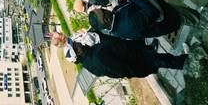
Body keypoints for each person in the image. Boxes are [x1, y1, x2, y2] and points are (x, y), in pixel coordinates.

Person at [51, 31, 188, 78]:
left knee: (157, 61)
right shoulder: (98, 53)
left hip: (132, 67)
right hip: (132, 60)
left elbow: (116, 71)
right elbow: (120, 64)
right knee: (159, 60)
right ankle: (186, 63)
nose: (81, 43)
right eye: (78, 45)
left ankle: (183, 62)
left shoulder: (89, 64)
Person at [88, 0, 200, 40]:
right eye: (101, 10)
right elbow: (152, 12)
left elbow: (125, 12)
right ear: (106, 20)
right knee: (190, 16)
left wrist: (122, 2)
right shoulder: (130, 24)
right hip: (170, 16)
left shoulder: (113, 21)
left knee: (187, 14)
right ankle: (204, 21)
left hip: (162, 10)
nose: (102, 8)